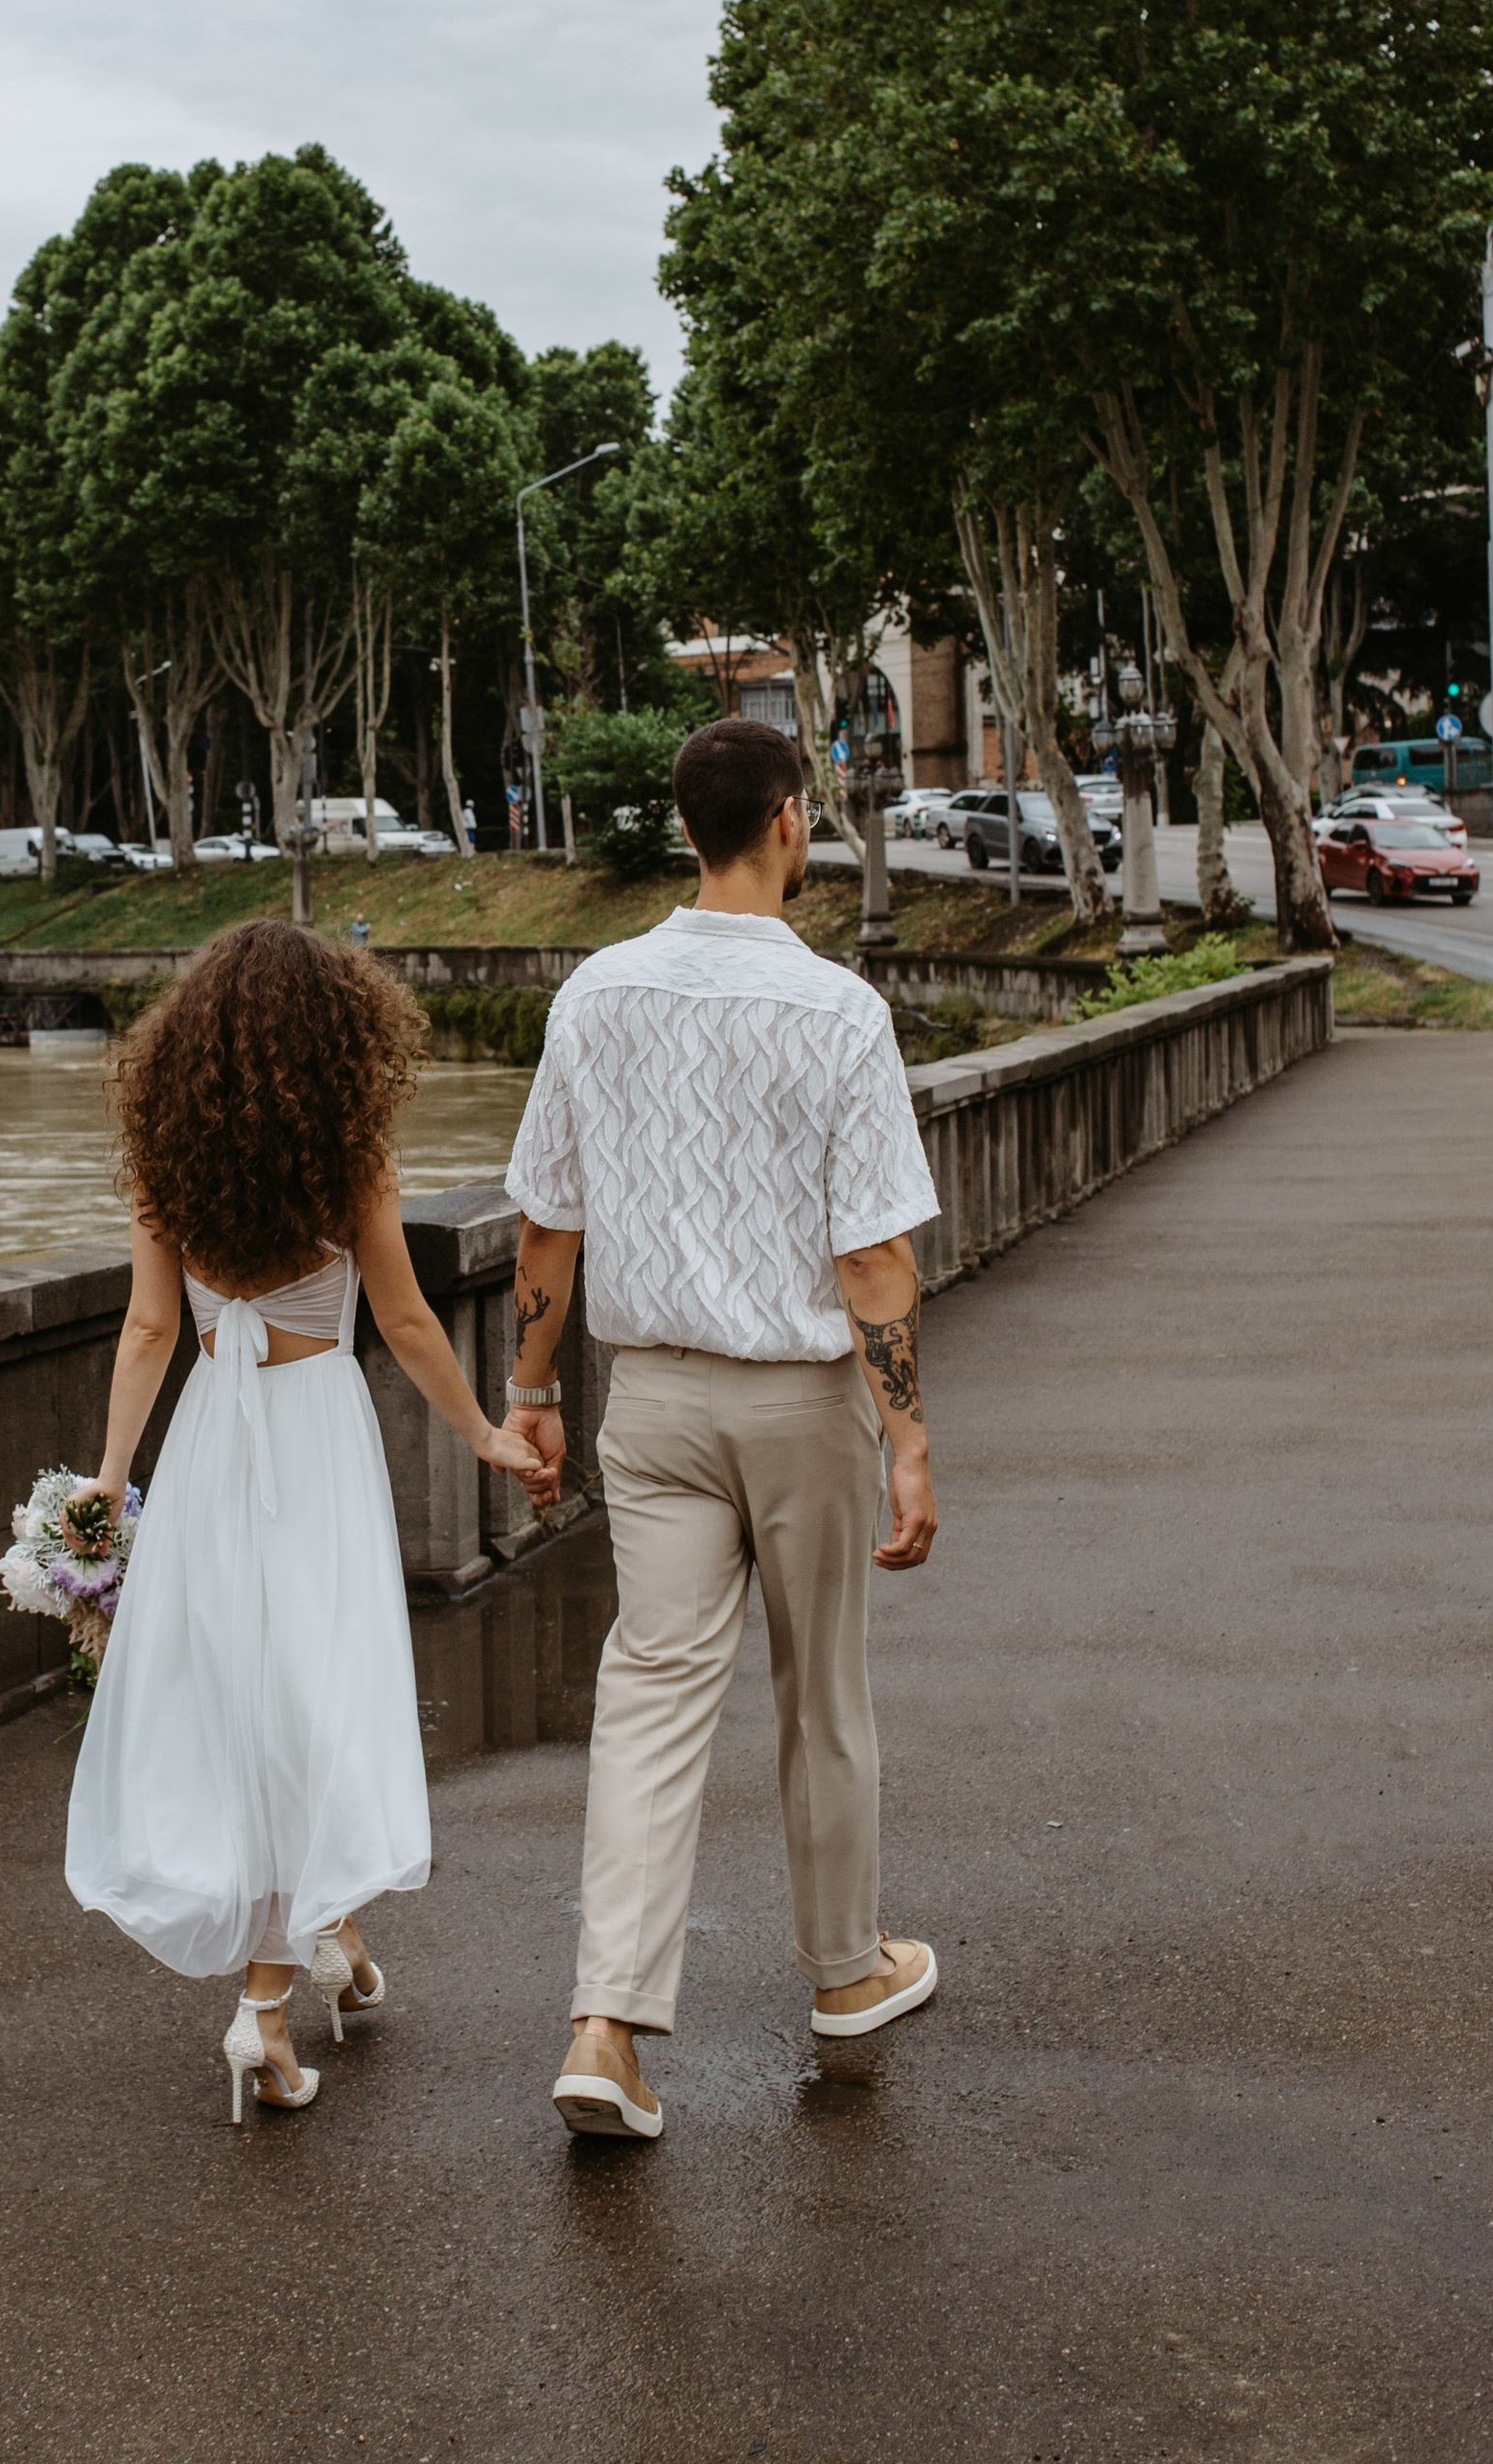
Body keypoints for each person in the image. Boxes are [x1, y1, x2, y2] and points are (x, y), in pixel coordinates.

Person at [501, 717, 944, 2143]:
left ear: (689, 828)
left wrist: (530, 1389)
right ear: (790, 822)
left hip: (654, 1401)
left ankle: (606, 2022)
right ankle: (845, 1972)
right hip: (798, 1401)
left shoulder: (596, 995)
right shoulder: (838, 1011)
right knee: (822, 1692)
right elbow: (873, 1260)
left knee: (649, 1696)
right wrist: (910, 1439)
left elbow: (547, 1221)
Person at [65, 919, 560, 2124]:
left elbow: (146, 1331)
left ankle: (328, 1933)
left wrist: (109, 1473)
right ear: (341, 1037)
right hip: (312, 1435)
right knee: (316, 1689)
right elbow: (402, 1323)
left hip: (205, 1448)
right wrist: (484, 1433)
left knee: (243, 1692)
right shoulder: (349, 1154)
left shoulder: (160, 1154)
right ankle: (264, 2007)